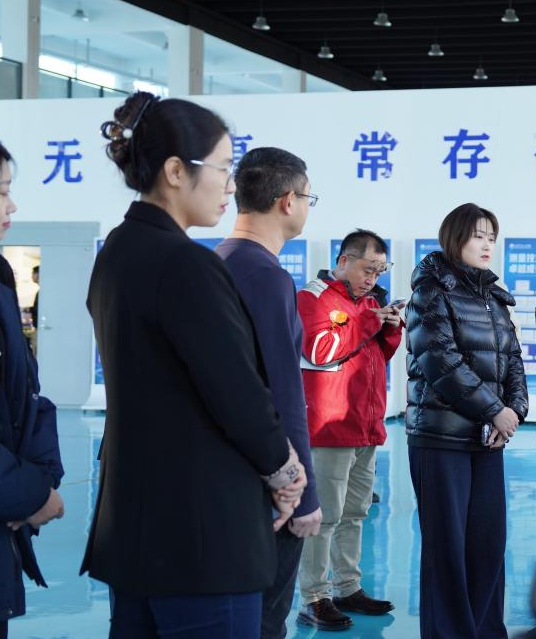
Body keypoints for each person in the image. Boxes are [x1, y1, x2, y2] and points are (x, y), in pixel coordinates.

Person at [85, 93, 307, 638]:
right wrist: (285, 471)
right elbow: (237, 392)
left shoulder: (117, 252)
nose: (231, 186)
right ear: (176, 171)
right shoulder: (185, 263)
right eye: (224, 168)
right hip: (203, 537)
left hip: (135, 529)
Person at [406, 203, 528, 639]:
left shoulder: (493, 296)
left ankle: (485, 631)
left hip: (487, 439)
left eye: (491, 237)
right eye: (478, 235)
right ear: (454, 237)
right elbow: (441, 362)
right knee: (448, 550)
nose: (487, 244)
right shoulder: (429, 291)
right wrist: (494, 410)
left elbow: (513, 360)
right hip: (441, 437)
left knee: (487, 544)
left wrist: (514, 410)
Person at [216, 147, 322, 639]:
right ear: (287, 201)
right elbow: (284, 394)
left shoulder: (219, 261)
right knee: (264, 618)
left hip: (226, 473)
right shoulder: (266, 275)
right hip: (270, 483)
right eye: (308, 198)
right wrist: (305, 495)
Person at [296, 229, 401, 630]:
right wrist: (366, 322)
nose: (372, 278)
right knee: (324, 516)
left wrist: (389, 328)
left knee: (355, 513)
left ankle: (347, 587)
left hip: (365, 424)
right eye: (367, 269)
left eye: (379, 271)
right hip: (330, 426)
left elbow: (374, 356)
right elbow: (318, 350)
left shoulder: (369, 303)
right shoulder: (313, 297)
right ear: (343, 261)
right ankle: (314, 597)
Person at [0, 141, 64, 639]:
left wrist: (43, 477)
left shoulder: (0, 276)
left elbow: (27, 393)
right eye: (2, 191)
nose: (12, 204)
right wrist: (29, 493)